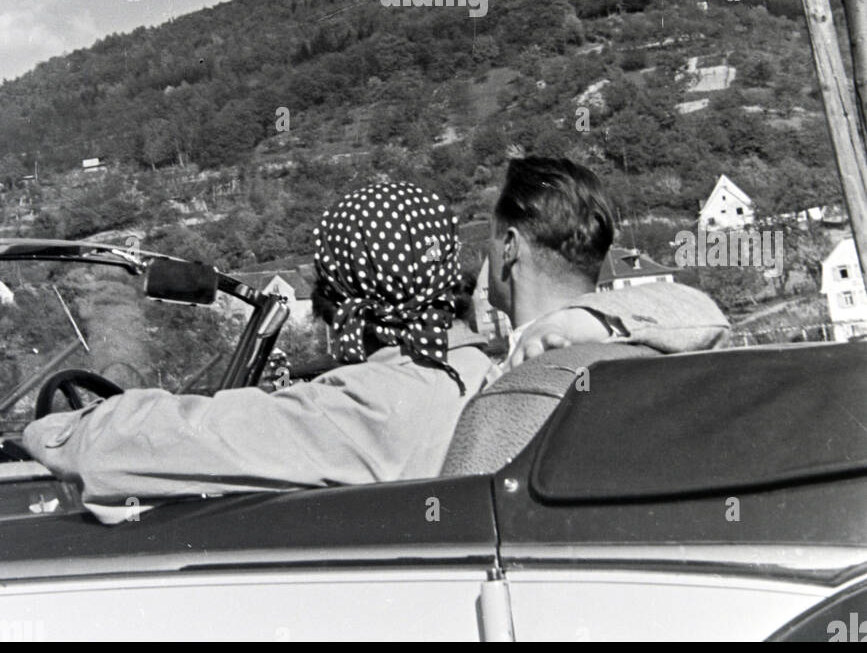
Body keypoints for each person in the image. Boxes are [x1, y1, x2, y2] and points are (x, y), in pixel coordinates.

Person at [23, 182, 492, 521]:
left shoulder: (372, 405)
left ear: (341, 295)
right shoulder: (475, 367)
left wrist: (54, 431)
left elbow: (155, 442)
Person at [440, 155, 729, 475]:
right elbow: (705, 314)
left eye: (490, 241)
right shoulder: (648, 349)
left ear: (509, 246)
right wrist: (593, 318)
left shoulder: (508, 390)